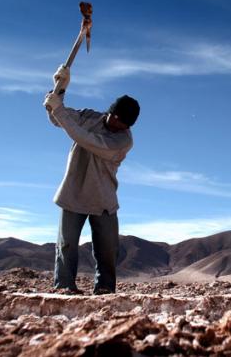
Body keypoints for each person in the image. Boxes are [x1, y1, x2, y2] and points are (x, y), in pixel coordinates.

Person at [43, 65, 140, 295]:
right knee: (66, 246)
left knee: (107, 250)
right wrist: (59, 89)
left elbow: (86, 139)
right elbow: (58, 117)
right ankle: (64, 288)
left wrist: (59, 110)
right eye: (120, 121)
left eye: (127, 125)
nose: (122, 127)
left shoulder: (124, 141)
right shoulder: (89, 117)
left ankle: (105, 291)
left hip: (103, 199)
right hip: (73, 193)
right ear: (112, 114)